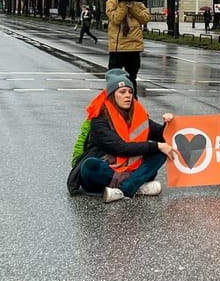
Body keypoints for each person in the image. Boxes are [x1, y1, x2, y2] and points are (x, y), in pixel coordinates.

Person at [70, 69, 175, 203]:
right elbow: (119, 148)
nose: (128, 96)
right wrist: (156, 145)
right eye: (122, 92)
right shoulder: (99, 119)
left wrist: (169, 123)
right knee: (89, 166)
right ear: (112, 95)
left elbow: (163, 136)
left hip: (132, 168)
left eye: (130, 92)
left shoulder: (138, 115)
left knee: (161, 151)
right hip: (107, 169)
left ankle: (124, 190)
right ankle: (138, 186)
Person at [106, 0, 150, 93]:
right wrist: (124, 4)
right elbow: (116, 19)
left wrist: (133, 7)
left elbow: (145, 18)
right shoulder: (112, 2)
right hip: (118, 48)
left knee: (131, 80)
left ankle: (133, 107)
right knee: (114, 81)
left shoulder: (138, 2)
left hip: (133, 48)